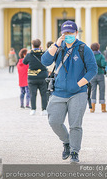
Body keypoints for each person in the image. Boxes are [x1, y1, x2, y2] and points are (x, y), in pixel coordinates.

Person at [41, 20, 97, 164]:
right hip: (59, 92)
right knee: (54, 121)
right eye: (65, 33)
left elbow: (93, 69)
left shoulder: (84, 48)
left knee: (75, 124)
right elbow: (45, 61)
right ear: (61, 34)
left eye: (70, 33)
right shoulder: (58, 48)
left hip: (78, 93)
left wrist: (79, 83)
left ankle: (74, 151)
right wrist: (55, 45)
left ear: (76, 33)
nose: (68, 35)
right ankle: (66, 142)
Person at [23, 39, 48, 116]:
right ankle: (44, 109)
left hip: (32, 77)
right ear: (40, 45)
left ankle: (33, 109)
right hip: (43, 76)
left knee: (32, 94)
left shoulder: (29, 54)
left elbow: (24, 62)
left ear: (32, 45)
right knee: (44, 94)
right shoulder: (43, 53)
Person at [90, 42, 107, 113]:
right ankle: (103, 107)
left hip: (92, 75)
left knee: (93, 90)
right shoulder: (101, 56)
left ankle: (92, 107)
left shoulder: (90, 56)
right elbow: (104, 64)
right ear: (98, 48)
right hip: (100, 74)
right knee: (102, 90)